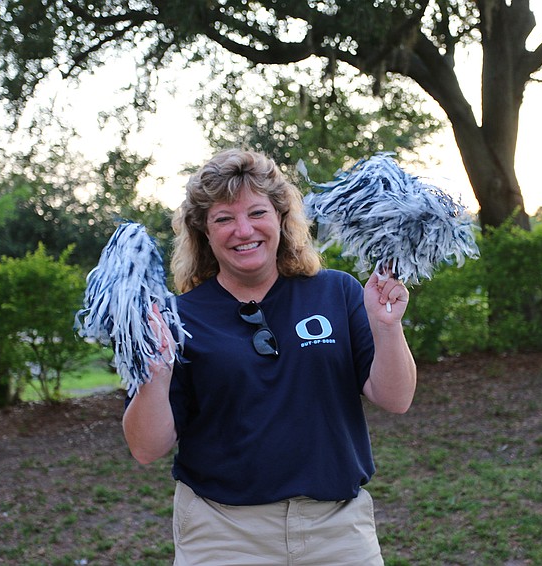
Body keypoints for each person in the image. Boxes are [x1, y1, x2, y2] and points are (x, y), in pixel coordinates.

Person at [123, 148, 417, 565]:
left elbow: (396, 398)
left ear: (282, 217)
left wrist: (387, 328)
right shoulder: (175, 319)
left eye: (257, 212)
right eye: (224, 218)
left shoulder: (338, 291)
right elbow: (146, 449)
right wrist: (156, 370)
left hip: (337, 531)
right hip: (223, 535)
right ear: (203, 232)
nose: (243, 230)